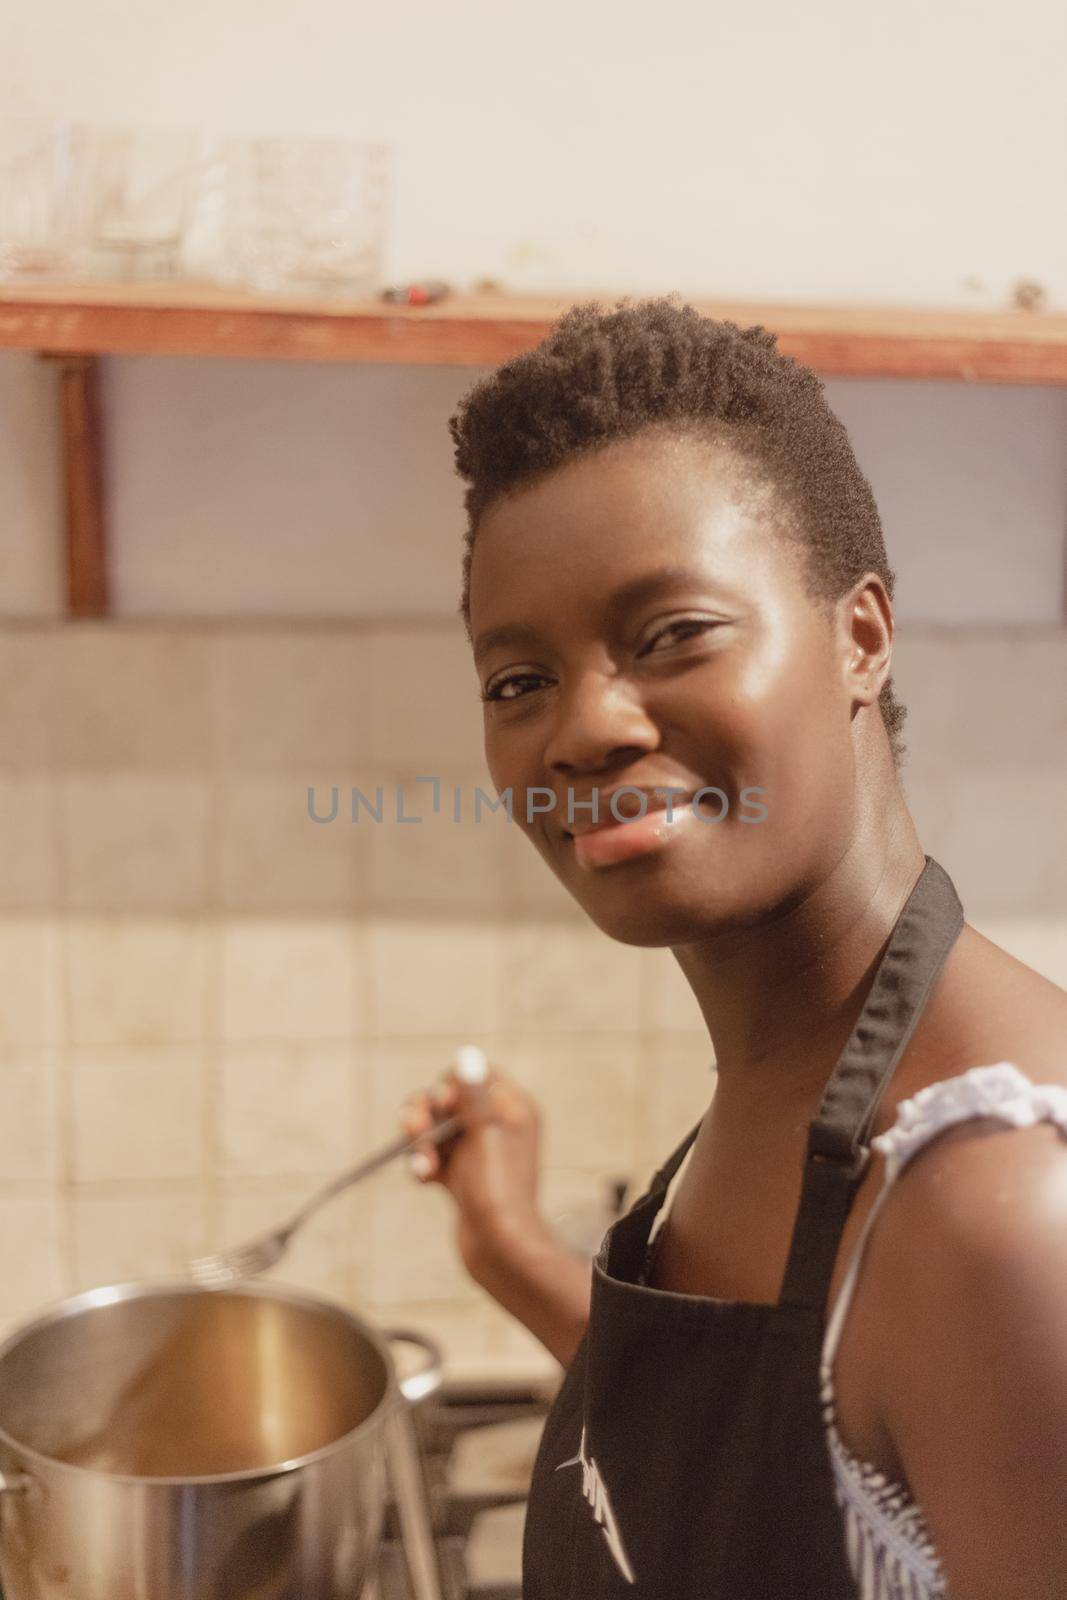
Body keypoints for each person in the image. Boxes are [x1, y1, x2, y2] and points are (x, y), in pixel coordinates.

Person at [398, 296, 1067, 1599]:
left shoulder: (1000, 1216)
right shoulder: (786, 1072)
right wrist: (506, 1245)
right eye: (516, 682)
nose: (584, 729)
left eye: (672, 635)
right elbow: (765, 1437)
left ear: (859, 635)